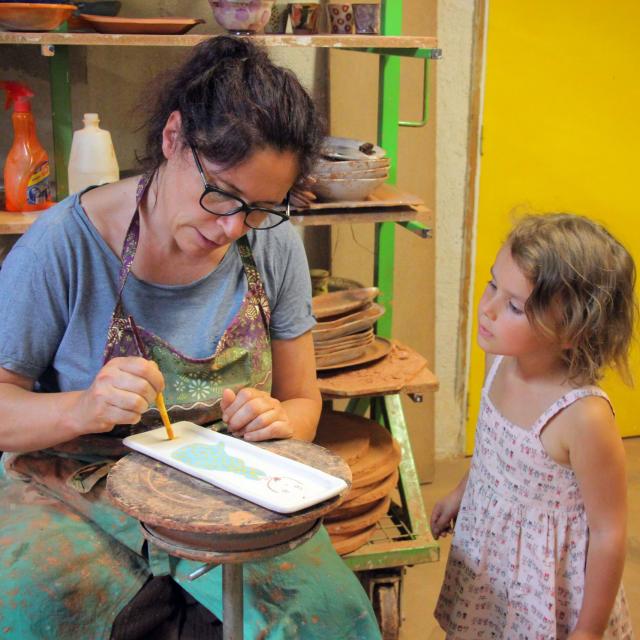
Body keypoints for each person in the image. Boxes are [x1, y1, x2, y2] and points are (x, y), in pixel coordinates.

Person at [0, 36, 381, 640]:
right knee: (31, 615)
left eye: (260, 208)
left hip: (224, 491)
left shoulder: (272, 244)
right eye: (221, 195)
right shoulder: (61, 247)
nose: (232, 228)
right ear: (173, 138)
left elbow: (303, 402)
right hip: (75, 486)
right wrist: (82, 406)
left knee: (326, 621)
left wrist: (279, 423)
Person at [431, 214, 635, 639]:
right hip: (491, 566)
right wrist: (461, 492)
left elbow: (609, 532)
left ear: (573, 331)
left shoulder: (582, 417)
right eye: (492, 285)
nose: (486, 309)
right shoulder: (499, 359)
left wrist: (588, 632)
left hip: (544, 589)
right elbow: (493, 449)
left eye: (514, 306)